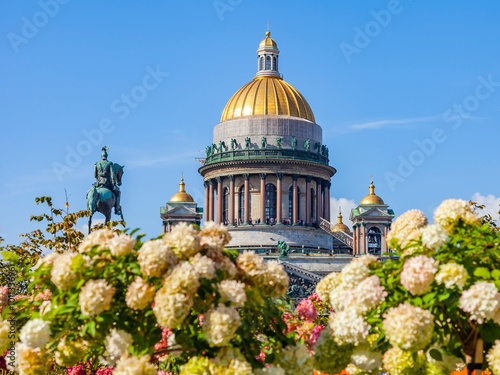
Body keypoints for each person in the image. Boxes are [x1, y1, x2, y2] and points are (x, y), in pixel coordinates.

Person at [93, 146, 121, 215]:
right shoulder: (109, 163)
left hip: (99, 183)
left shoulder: (97, 164)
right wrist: (114, 183)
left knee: (89, 192)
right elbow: (112, 174)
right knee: (118, 193)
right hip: (107, 183)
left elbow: (95, 175)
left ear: (101, 156)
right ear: (106, 156)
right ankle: (116, 209)